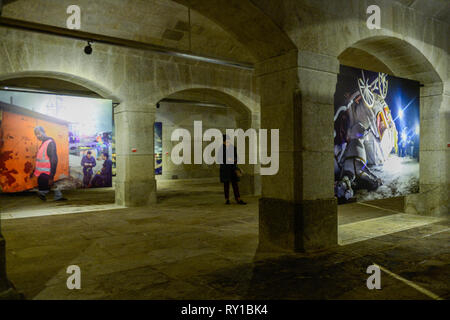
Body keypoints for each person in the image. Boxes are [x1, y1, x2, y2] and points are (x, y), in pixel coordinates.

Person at [30, 126, 67, 201]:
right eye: (36, 134)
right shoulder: (43, 144)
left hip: (46, 173)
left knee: (45, 187)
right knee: (48, 186)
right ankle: (57, 196)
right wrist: (34, 171)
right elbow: (40, 159)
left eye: (39, 133)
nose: (37, 135)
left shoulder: (50, 143)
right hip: (42, 173)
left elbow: (54, 159)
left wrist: (51, 176)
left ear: (43, 132)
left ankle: (47, 194)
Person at [218, 135, 246, 205]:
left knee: (235, 185)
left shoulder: (233, 148)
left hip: (232, 168)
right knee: (226, 185)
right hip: (225, 169)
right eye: (226, 141)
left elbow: (237, 158)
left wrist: (233, 160)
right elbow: (220, 159)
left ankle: (238, 199)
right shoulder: (221, 149)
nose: (227, 142)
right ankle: (227, 199)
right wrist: (230, 159)